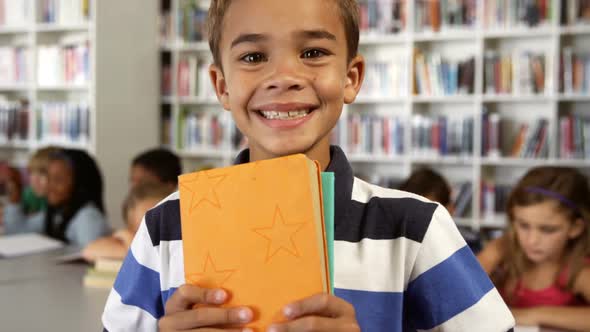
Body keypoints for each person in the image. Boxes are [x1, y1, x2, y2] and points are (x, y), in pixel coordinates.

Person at [102, 1, 514, 331]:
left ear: (351, 77)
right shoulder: (164, 228)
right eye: (253, 56)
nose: (284, 76)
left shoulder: (416, 229)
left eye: (313, 52)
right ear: (222, 86)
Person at [478, 167, 590, 331]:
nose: (532, 240)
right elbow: (456, 290)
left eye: (547, 229)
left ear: (575, 228)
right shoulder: (502, 250)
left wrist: (531, 315)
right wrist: (490, 256)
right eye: (523, 225)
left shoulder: (579, 270)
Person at [3, 149, 110, 247]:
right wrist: (15, 198)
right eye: (48, 178)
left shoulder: (87, 217)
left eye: (58, 180)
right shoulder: (58, 213)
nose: (48, 185)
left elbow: (94, 256)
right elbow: (18, 232)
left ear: (80, 183)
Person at [82, 182, 172, 262]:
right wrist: (130, 241)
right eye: (144, 230)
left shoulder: (178, 248)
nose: (156, 231)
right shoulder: (130, 241)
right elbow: (89, 251)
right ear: (132, 230)